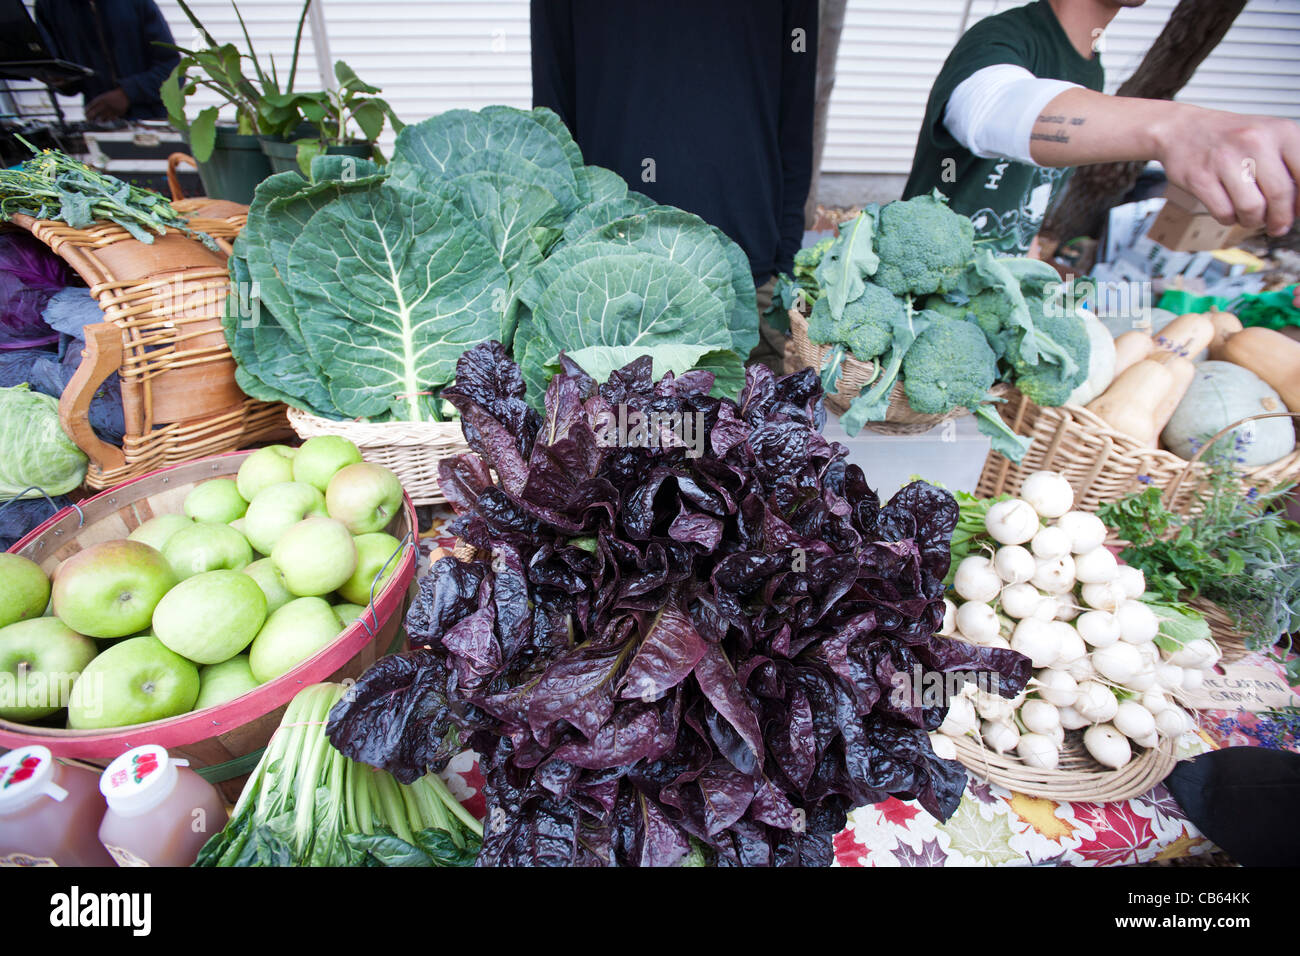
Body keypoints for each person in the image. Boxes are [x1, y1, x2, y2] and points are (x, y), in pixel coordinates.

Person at [904, 0, 1300, 255]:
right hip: (915, 277)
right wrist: (1177, 127)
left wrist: (1028, 240)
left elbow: (1036, 177)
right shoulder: (1004, 34)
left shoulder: (1091, 69)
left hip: (988, 290)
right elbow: (987, 108)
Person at [530, 0, 817, 332]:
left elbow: (795, 118)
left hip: (749, 279)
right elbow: (553, 123)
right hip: (606, 281)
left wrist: (784, 266)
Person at [35, 0, 179, 124]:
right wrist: (57, 79)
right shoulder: (49, 4)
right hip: (97, 123)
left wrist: (129, 93)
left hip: (153, 124)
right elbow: (64, 76)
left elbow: (175, 72)